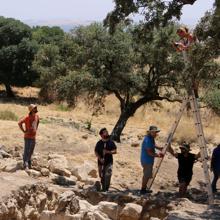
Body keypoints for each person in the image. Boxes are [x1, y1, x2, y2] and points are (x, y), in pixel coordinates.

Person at [140, 125, 163, 195]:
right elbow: (149, 152)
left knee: (147, 175)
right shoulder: (148, 140)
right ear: (150, 132)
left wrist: (160, 148)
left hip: (148, 160)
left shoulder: (151, 138)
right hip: (147, 160)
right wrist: (158, 155)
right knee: (146, 175)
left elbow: (154, 145)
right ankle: (143, 190)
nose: (155, 133)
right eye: (154, 132)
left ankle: (144, 189)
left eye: (156, 132)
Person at [18, 104, 39, 170]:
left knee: (31, 150)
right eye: (34, 108)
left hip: (33, 137)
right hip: (27, 137)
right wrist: (24, 131)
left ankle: (29, 162)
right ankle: (25, 163)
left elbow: (37, 123)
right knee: (27, 150)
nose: (36, 109)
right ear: (31, 110)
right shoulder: (27, 118)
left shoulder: (37, 116)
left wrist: (35, 130)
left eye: (36, 108)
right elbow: (19, 123)